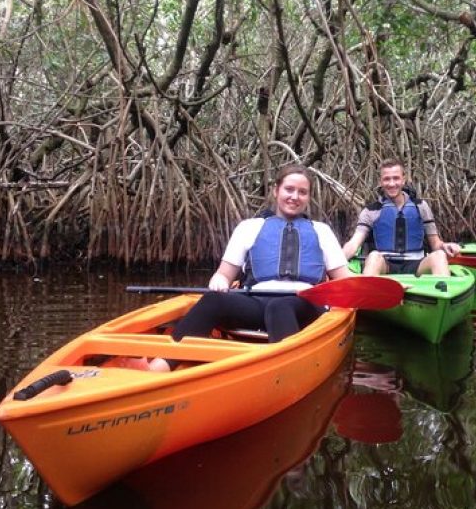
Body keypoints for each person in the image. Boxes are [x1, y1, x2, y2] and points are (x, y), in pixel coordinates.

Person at [146, 165, 351, 372]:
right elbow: (223, 274)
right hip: (259, 302)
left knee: (280, 307)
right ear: (276, 190)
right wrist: (219, 282)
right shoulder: (249, 227)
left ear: (308, 197)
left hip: (306, 304)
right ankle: (162, 365)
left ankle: (285, 371)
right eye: (289, 189)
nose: (294, 197)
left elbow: (344, 280)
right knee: (213, 300)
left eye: (302, 192)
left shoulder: (322, 231)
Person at [342, 159, 460, 276]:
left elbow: (435, 244)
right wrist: (334, 264)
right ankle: (369, 293)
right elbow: (353, 244)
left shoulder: (421, 206)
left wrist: (445, 246)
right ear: (381, 182)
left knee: (439, 256)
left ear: (404, 180)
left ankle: (443, 292)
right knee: (373, 257)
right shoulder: (371, 211)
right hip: (385, 265)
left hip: (417, 264)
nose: (392, 183)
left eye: (396, 178)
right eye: (387, 179)